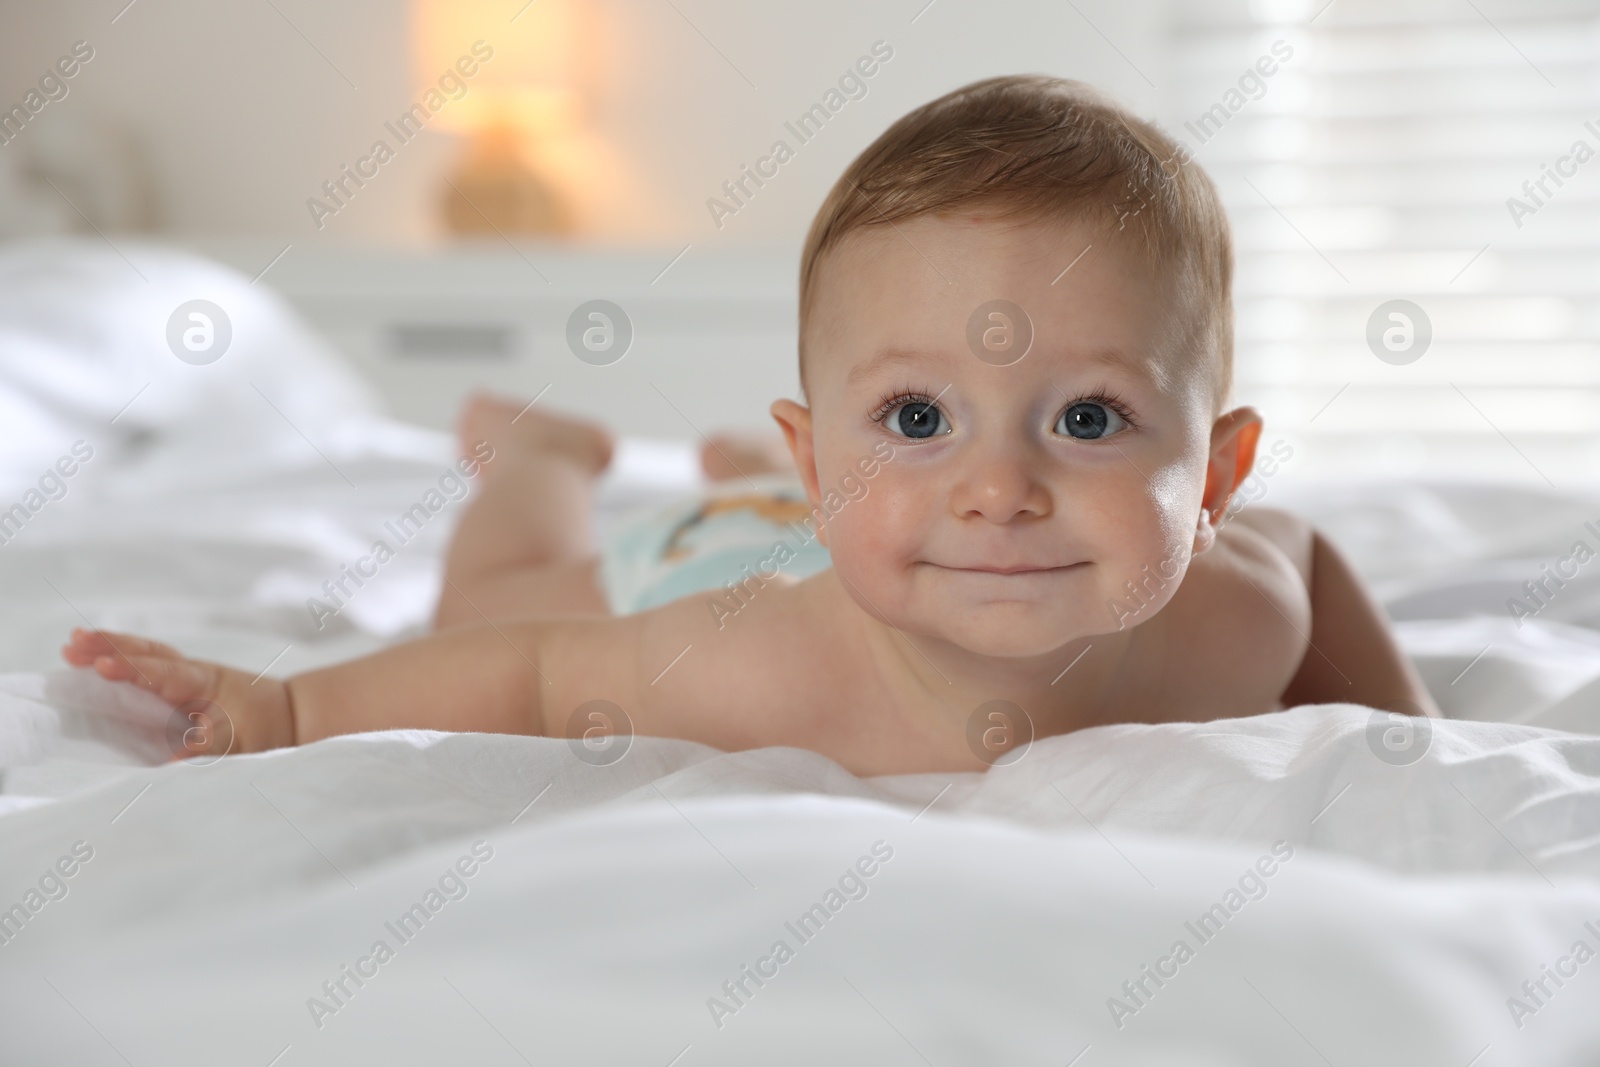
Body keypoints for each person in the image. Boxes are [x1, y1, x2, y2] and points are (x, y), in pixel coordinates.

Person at [61, 76, 1437, 776]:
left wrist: (1400, 725)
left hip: (829, 531)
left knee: (896, 520)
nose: (1000, 488)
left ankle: (769, 466)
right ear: (820, 452)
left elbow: (1306, 557)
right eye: (918, 414)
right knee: (490, 595)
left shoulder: (1235, 615)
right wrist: (287, 705)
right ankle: (540, 459)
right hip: (715, 564)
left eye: (1087, 417)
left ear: (1218, 478)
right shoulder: (761, 670)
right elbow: (531, 672)